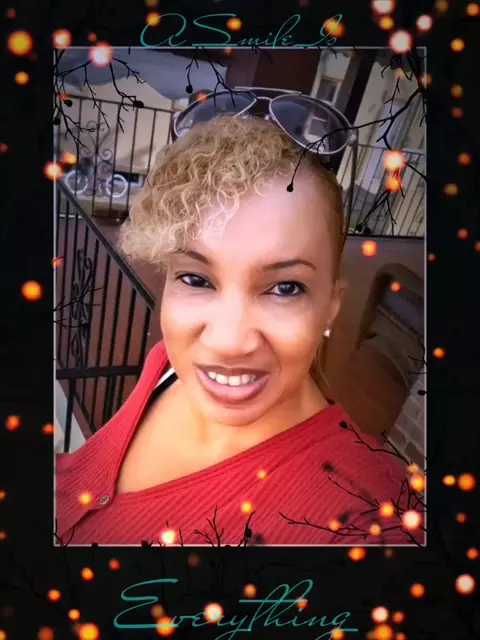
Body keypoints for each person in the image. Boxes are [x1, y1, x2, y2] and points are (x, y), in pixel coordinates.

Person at [55, 101, 424, 546]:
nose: (228, 342)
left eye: (285, 287)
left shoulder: (367, 522)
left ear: (331, 305)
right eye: (196, 279)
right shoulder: (167, 368)